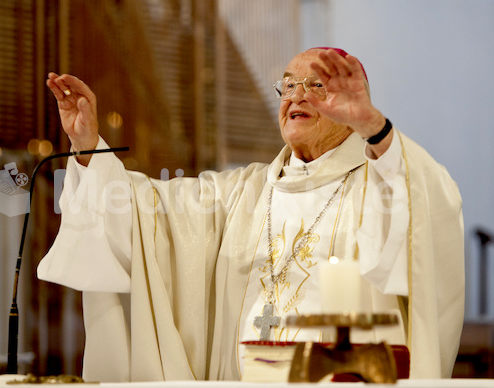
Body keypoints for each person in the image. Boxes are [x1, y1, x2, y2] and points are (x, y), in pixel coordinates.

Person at [38, 47, 464, 381]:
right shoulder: (242, 191)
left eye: (316, 86)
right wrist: (89, 147)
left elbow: (428, 206)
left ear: (352, 106)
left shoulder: (378, 183)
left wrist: (374, 126)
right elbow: (145, 214)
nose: (295, 96)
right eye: (288, 85)